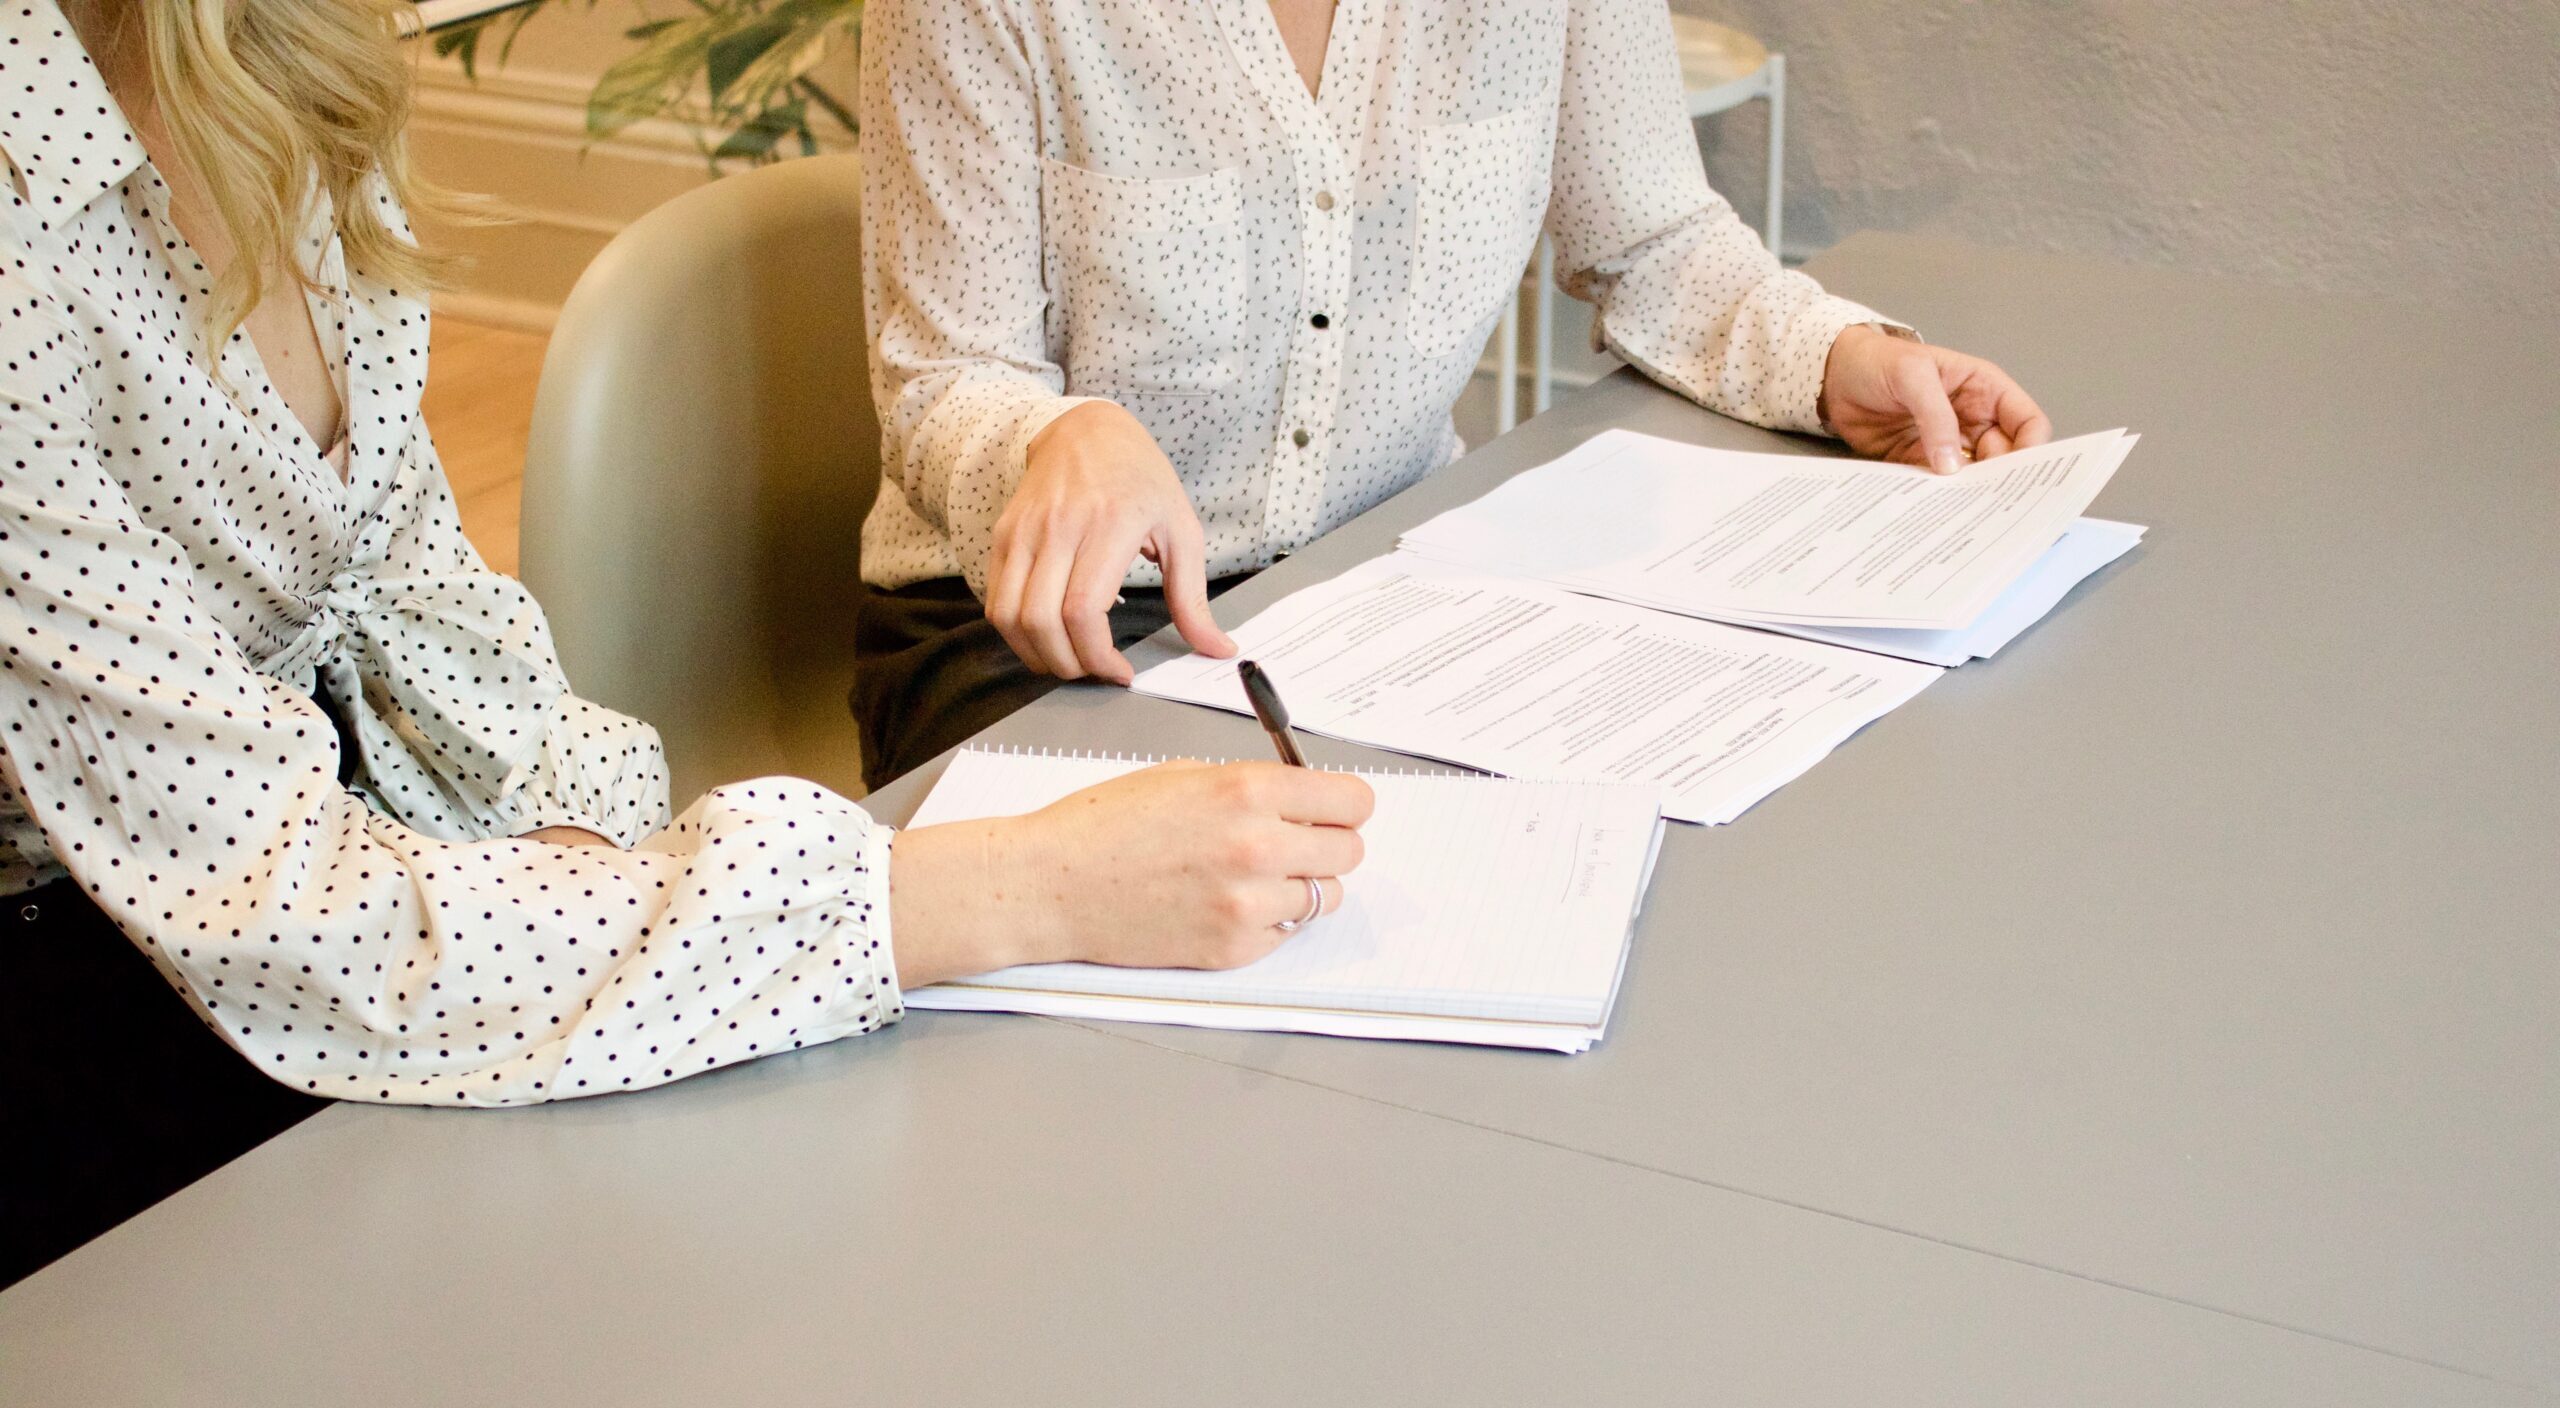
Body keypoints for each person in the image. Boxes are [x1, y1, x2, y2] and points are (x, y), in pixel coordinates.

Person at [0, 0, 1372, 1287]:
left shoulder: (279, 63)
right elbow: (292, 919)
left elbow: (412, 597)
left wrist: (580, 850)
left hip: (327, 878)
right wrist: (1020, 888)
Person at [852, 0, 2056, 786]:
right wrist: (1057, 437)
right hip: (1038, 634)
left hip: (1377, 592)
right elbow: (944, 375)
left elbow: (1651, 236)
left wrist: (1836, 358)